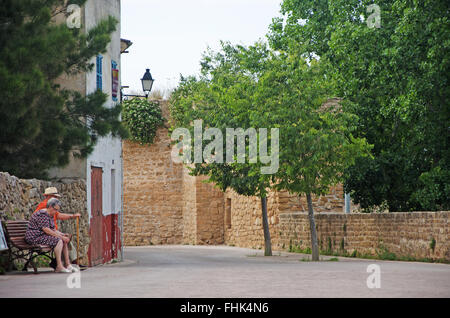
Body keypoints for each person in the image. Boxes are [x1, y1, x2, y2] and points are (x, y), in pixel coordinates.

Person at [25, 198, 79, 273]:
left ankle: (68, 265)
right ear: (50, 206)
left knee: (63, 240)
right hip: (34, 237)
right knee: (59, 240)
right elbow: (46, 229)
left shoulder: (50, 215)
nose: (56, 212)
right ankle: (59, 266)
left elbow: (53, 230)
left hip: (42, 236)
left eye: (57, 210)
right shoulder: (42, 214)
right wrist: (61, 237)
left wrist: (63, 234)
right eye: (55, 209)